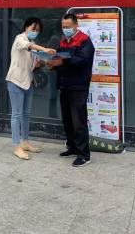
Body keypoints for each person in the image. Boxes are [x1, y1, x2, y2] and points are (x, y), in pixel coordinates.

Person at [47, 13, 95, 167]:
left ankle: (84, 155)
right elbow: (60, 60)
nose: (65, 29)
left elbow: (81, 60)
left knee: (79, 121)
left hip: (78, 87)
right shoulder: (63, 41)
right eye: (63, 26)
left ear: (76, 25)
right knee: (67, 120)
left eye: (68, 26)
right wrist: (52, 64)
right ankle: (73, 147)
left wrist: (61, 62)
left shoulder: (84, 41)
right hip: (65, 86)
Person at [6, 17, 56, 160]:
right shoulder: (19, 39)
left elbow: (33, 63)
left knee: (26, 114)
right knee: (16, 114)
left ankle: (25, 142)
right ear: (26, 27)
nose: (35, 32)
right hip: (15, 81)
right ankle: (16, 146)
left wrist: (43, 61)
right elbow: (27, 46)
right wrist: (44, 49)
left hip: (28, 82)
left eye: (38, 30)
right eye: (33, 29)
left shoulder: (33, 43)